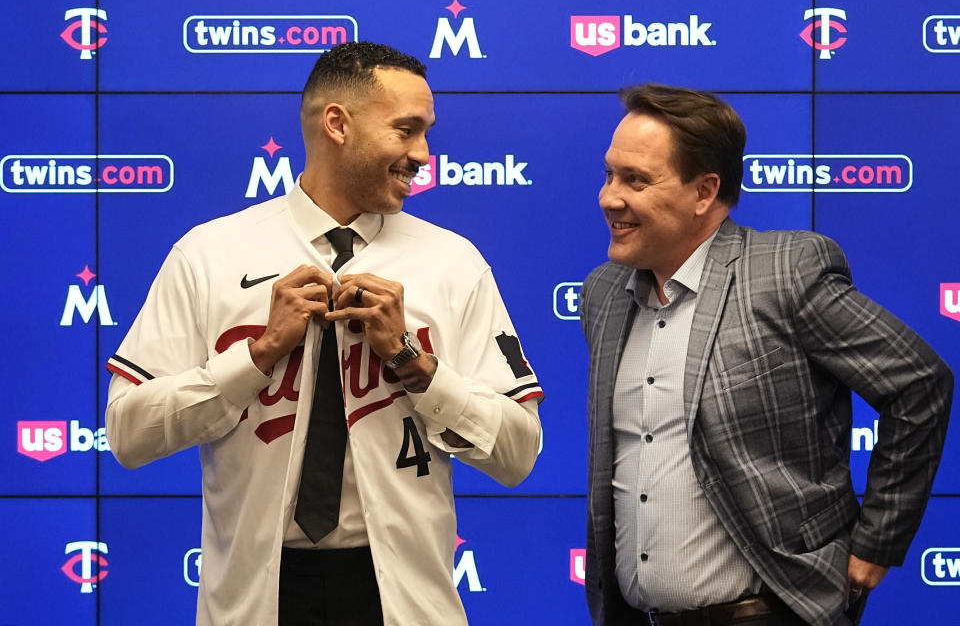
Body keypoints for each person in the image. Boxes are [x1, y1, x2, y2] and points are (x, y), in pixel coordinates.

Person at [104, 41, 543, 626]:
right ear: (337, 124)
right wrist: (256, 356)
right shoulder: (208, 254)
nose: (423, 154)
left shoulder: (453, 263)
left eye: (426, 134)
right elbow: (128, 433)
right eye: (407, 131)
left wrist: (412, 361)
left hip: (403, 601)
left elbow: (518, 453)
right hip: (254, 599)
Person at [580, 83, 953, 626]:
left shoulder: (784, 272)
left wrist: (877, 541)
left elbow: (919, 384)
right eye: (610, 174)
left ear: (705, 191)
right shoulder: (603, 294)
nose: (610, 197)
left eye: (636, 180)